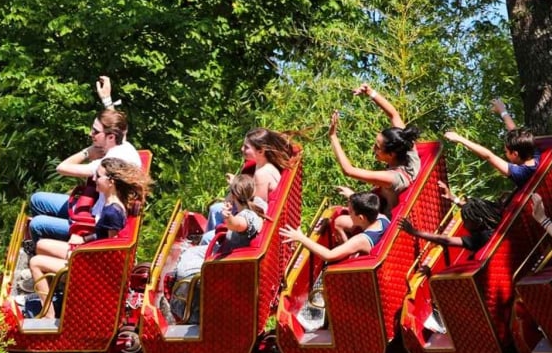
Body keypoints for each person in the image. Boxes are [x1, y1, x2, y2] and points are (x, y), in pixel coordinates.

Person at [24, 157, 148, 320]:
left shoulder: (112, 212)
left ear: (111, 182)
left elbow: (110, 251)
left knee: (35, 262)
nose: (94, 179)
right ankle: (61, 293)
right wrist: (84, 240)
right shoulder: (111, 203)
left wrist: (78, 254)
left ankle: (48, 316)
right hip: (89, 253)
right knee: (41, 245)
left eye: (98, 176)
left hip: (92, 266)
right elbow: (102, 234)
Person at [27, 108, 141, 244]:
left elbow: (61, 168)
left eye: (96, 132)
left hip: (94, 221)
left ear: (111, 137)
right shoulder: (125, 145)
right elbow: (118, 124)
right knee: (37, 200)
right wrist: (107, 100)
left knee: (37, 224)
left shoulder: (107, 164)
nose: (90, 134)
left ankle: (47, 251)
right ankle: (50, 245)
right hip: (95, 204)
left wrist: (87, 152)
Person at [162, 174, 264, 323]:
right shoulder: (254, 206)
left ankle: (185, 312)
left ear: (234, 195)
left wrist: (228, 217)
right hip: (228, 255)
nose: (226, 196)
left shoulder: (248, 216)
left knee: (185, 271)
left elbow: (239, 224)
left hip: (228, 264)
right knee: (188, 254)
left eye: (229, 192)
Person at [329, 83, 421, 240]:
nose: (373, 149)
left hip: (384, 222)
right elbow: (394, 115)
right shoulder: (406, 146)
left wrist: (333, 136)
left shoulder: (394, 178)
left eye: (377, 147)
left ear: (391, 154)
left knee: (339, 221)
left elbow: (349, 170)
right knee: (332, 215)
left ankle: (350, 255)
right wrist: (370, 92)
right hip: (377, 205)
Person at [206, 128, 294, 232]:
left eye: (246, 147)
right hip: (251, 215)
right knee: (215, 209)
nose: (242, 149)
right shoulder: (262, 164)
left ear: (261, 151)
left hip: (254, 224)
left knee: (215, 214)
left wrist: (235, 186)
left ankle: (213, 243)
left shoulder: (262, 174)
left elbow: (256, 210)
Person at [281, 190, 390, 266]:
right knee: (341, 221)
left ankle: (345, 253)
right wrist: (353, 197)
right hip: (380, 252)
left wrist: (300, 238)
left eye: (351, 211)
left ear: (361, 218)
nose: (348, 211)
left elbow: (329, 255)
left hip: (366, 265)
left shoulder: (360, 240)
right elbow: (370, 206)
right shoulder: (382, 218)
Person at [399, 190, 503, 255]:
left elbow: (446, 240)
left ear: (477, 222)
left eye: (466, 221)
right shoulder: (495, 216)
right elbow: (476, 210)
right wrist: (454, 199)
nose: (464, 224)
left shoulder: (482, 238)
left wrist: (414, 232)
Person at [443, 125, 538, 189]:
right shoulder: (536, 155)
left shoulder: (521, 173)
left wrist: (459, 139)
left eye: (506, 151)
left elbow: (489, 156)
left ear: (515, 154)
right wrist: (503, 111)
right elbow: (520, 138)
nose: (505, 154)